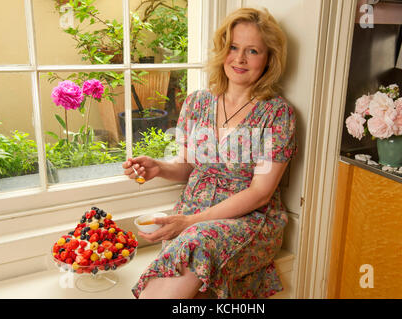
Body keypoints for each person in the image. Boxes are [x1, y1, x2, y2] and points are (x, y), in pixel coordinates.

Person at [123, 7, 297, 299]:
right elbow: (189, 165)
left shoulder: (277, 113)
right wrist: (160, 168)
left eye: (252, 51)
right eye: (233, 47)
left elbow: (260, 193)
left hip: (249, 219)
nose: (239, 59)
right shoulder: (197, 102)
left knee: (198, 242)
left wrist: (189, 223)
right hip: (192, 210)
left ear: (269, 59)